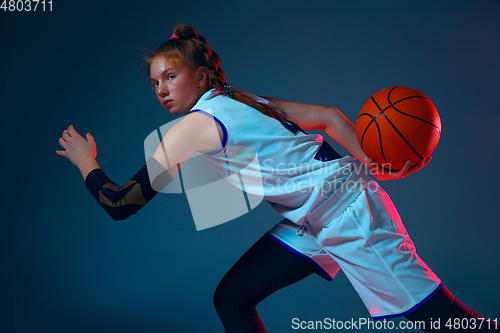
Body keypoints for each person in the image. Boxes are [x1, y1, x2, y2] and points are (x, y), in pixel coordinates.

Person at [56, 25, 498, 332]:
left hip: (348, 214)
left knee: (444, 321)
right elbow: (327, 117)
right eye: (155, 83)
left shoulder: (193, 126)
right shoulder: (241, 99)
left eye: (171, 76)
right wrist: (373, 161)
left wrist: (84, 160)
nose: (162, 89)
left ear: (202, 75)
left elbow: (121, 203)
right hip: (315, 218)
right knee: (232, 298)